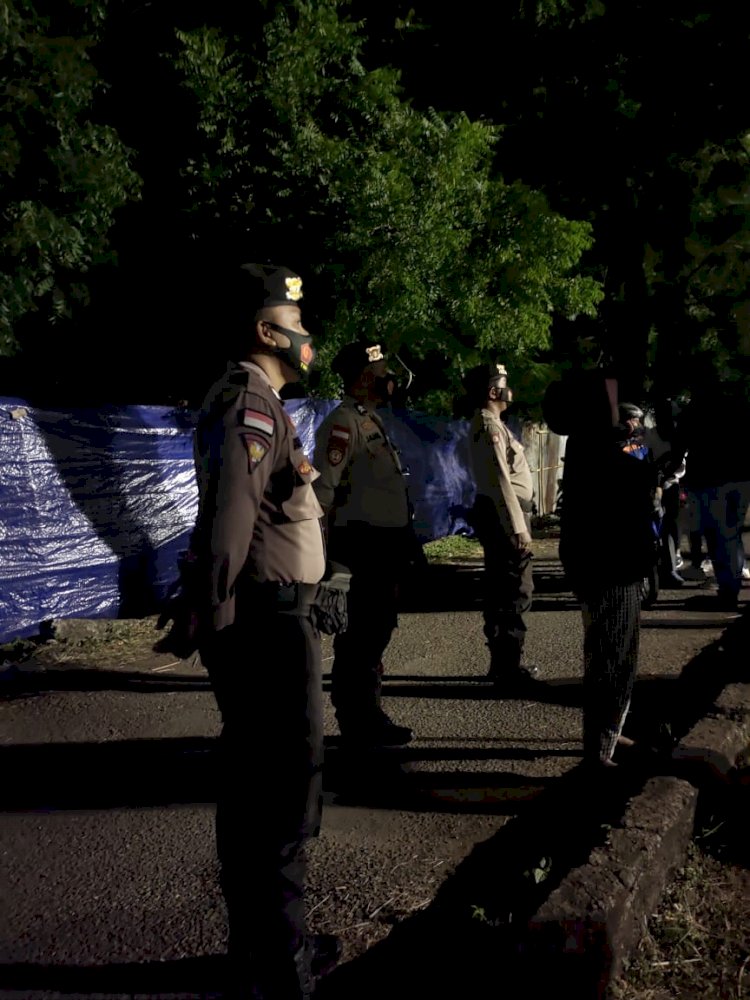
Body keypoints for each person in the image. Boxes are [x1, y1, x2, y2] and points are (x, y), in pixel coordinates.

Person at [156, 262, 340, 999]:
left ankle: (263, 948)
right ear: (266, 331)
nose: (308, 339)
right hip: (265, 621)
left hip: (269, 614)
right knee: (283, 792)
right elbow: (231, 518)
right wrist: (211, 612)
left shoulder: (259, 403)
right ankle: (279, 966)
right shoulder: (250, 404)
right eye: (297, 327)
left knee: (259, 788)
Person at [543, 370, 655, 768]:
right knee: (612, 655)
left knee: (615, 650)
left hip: (605, 561)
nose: (632, 423)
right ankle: (600, 750)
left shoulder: (590, 442)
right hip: (611, 564)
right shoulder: (603, 445)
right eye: (626, 415)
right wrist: (651, 454)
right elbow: (637, 480)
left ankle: (610, 730)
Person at [312, 340, 416, 747]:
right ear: (362, 379)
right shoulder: (343, 423)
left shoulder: (372, 419)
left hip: (387, 546)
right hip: (363, 547)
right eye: (381, 372)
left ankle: (368, 713)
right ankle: (359, 719)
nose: (390, 378)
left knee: (377, 631)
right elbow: (323, 492)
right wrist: (327, 560)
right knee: (361, 637)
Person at [466, 363, 539, 690]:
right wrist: (518, 526)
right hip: (503, 513)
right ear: (493, 391)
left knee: (505, 588)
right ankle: (507, 668)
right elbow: (499, 481)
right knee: (513, 590)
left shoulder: (496, 424)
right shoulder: (488, 425)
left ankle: (504, 664)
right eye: (505, 384)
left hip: (502, 512)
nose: (510, 391)